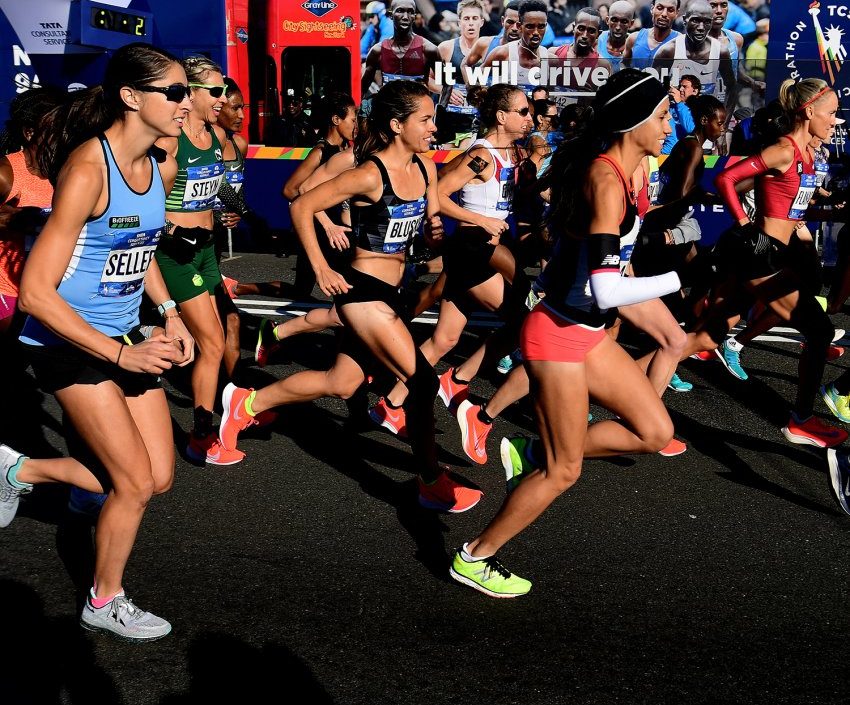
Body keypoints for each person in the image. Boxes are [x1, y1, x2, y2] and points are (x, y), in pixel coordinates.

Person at [449, 70, 681, 597]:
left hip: (587, 332)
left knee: (654, 432)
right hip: (557, 334)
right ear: (634, 121)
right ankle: (475, 556)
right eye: (664, 116)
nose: (669, 126)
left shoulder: (628, 170)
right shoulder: (606, 181)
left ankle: (534, 452)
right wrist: (679, 279)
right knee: (565, 472)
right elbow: (605, 288)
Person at [4, 43, 196, 640]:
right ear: (131, 97)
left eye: (188, 92)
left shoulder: (159, 164)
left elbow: (140, 247)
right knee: (131, 484)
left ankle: (20, 470)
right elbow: (35, 294)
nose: (187, 104)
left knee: (157, 477)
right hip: (66, 339)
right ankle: (104, 599)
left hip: (124, 335)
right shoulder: (90, 169)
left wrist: (170, 314)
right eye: (176, 92)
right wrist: (120, 354)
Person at [219, 80, 482, 513]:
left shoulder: (425, 168)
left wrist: (434, 234)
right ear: (397, 124)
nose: (434, 128)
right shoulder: (368, 173)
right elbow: (301, 204)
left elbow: (428, 230)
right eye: (425, 120)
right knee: (422, 382)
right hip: (363, 293)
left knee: (340, 382)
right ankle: (431, 480)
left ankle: (247, 402)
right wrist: (322, 268)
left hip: (395, 290)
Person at [683, 78, 847, 449]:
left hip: (775, 254)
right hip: (759, 253)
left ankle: (640, 379)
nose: (836, 121)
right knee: (819, 330)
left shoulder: (806, 154)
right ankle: (800, 421)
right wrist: (744, 224)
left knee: (707, 335)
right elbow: (727, 178)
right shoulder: (784, 149)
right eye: (832, 113)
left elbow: (792, 211)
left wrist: (830, 212)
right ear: (809, 112)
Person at [369, 84, 533, 441]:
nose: (529, 118)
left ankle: (390, 406)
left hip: (483, 250)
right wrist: (479, 220)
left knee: (444, 339)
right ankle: (458, 379)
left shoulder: (512, 154)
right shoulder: (482, 156)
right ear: (501, 117)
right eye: (522, 111)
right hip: (473, 250)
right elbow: (438, 192)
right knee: (525, 322)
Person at [155, 56, 240, 465]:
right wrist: (174, 231)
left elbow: (216, 183)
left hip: (207, 250)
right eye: (216, 91)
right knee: (213, 342)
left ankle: (147, 357)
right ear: (190, 92)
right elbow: (144, 205)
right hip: (177, 255)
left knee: (212, 339)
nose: (223, 99)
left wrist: (233, 207)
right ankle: (200, 437)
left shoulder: (214, 135)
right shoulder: (171, 142)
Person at [0, 88, 62, 335]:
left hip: (46, 290)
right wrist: (14, 219)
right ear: (30, 132)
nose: (65, 134)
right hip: (6, 288)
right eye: (57, 127)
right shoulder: (6, 173)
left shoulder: (69, 172)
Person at [652, 1, 737, 119]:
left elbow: (732, 87)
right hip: (675, 121)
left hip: (705, 121)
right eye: (695, 21)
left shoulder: (720, 51)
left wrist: (723, 123)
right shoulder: (668, 51)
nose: (701, 28)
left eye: (707, 22)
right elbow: (652, 89)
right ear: (685, 20)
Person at [361, 0, 441, 96]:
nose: (405, 17)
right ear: (391, 15)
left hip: (417, 103)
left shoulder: (430, 49)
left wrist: (442, 102)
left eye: (410, 12)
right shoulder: (376, 47)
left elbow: (447, 82)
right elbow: (362, 49)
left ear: (414, 16)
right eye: (400, 11)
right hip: (390, 102)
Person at [435, 0, 486, 149]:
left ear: (481, 22)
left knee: (465, 157)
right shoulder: (446, 48)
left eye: (474, 18)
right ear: (459, 22)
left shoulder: (490, 50)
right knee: (444, 162)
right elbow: (429, 79)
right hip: (448, 119)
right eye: (466, 18)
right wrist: (446, 90)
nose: (470, 23)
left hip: (475, 120)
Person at [481, 1, 551, 96]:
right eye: (530, 26)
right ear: (519, 26)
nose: (536, 32)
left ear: (546, 26)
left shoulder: (550, 59)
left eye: (541, 27)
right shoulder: (502, 53)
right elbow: (475, 81)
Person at [552, 7, 611, 95]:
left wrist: (592, 96)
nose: (584, 35)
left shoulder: (602, 65)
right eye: (581, 28)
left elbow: (605, 99)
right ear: (573, 28)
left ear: (598, 34)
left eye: (591, 31)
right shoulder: (554, 54)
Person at [623, 0, 680, 70]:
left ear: (676, 13)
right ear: (652, 9)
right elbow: (622, 66)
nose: (664, 14)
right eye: (660, 8)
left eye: (670, 10)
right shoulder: (634, 38)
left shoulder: (681, 43)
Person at [463, 1, 522, 67]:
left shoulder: (529, 52)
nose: (514, 28)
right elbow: (464, 64)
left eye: (519, 24)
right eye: (510, 22)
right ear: (503, 21)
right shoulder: (484, 43)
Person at [597, 0, 634, 72]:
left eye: (624, 22)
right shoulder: (598, 40)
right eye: (614, 20)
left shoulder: (635, 45)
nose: (618, 27)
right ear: (607, 20)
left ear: (631, 23)